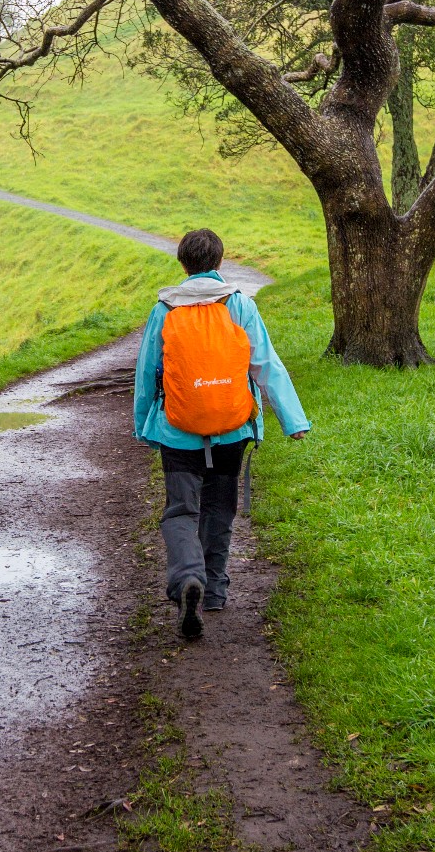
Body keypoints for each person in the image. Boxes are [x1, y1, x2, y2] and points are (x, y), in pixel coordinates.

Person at [132, 228, 308, 640]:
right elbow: (266, 364)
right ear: (220, 262)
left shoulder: (164, 309)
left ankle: (187, 580)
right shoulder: (240, 304)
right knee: (219, 508)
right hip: (232, 428)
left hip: (177, 430)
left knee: (181, 511)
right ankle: (213, 590)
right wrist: (293, 421)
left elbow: (146, 371)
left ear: (182, 265)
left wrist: (143, 424)